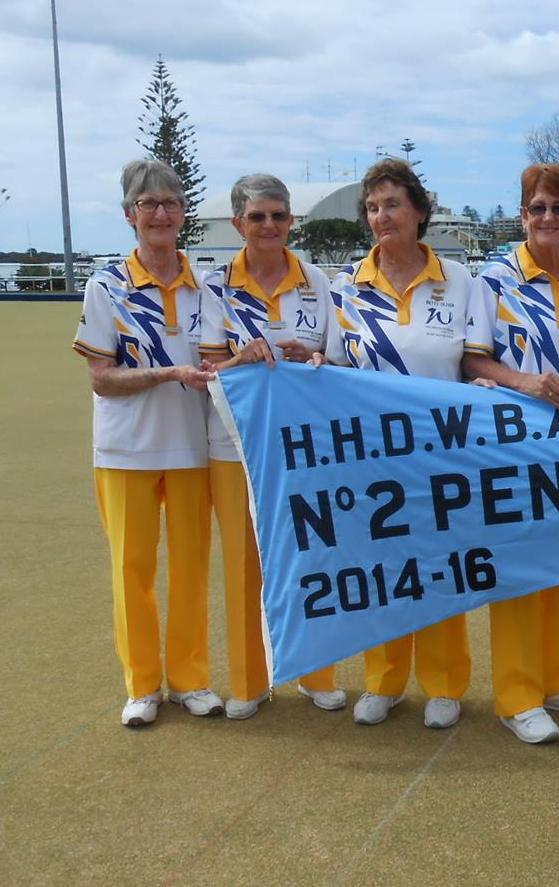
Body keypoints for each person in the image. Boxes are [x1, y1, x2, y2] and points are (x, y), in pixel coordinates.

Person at [318, 159, 474, 730]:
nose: (382, 216)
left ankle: (444, 684)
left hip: (442, 457)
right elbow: (333, 368)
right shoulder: (345, 289)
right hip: (369, 460)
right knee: (381, 570)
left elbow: (475, 362)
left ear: (419, 212)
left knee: (441, 567)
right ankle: (383, 680)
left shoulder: (460, 282)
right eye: (373, 207)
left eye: (393, 205)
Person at [72, 159, 222, 727]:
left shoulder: (207, 285)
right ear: (129, 214)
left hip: (190, 447)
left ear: (183, 214)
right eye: (148, 204)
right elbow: (101, 378)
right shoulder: (104, 284)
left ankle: (190, 679)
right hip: (125, 451)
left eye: (170, 203)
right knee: (131, 569)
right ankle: (142, 685)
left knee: (189, 568)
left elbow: (219, 359)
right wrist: (168, 374)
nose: (160, 213)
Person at [462, 163, 559, 743]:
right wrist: (529, 383)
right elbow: (473, 361)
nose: (549, 218)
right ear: (522, 215)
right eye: (538, 208)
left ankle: (556, 679)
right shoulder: (491, 282)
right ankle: (517, 694)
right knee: (520, 566)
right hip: (513, 445)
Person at [199, 174, 346, 719]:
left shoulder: (319, 282)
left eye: (278, 216)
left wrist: (313, 360)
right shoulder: (213, 286)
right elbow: (204, 367)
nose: (268, 226)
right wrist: (243, 358)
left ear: (291, 221)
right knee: (245, 566)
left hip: (306, 447)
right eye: (257, 217)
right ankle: (249, 682)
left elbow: (336, 360)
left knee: (314, 558)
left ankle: (318, 674)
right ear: (239, 222)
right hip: (233, 446)